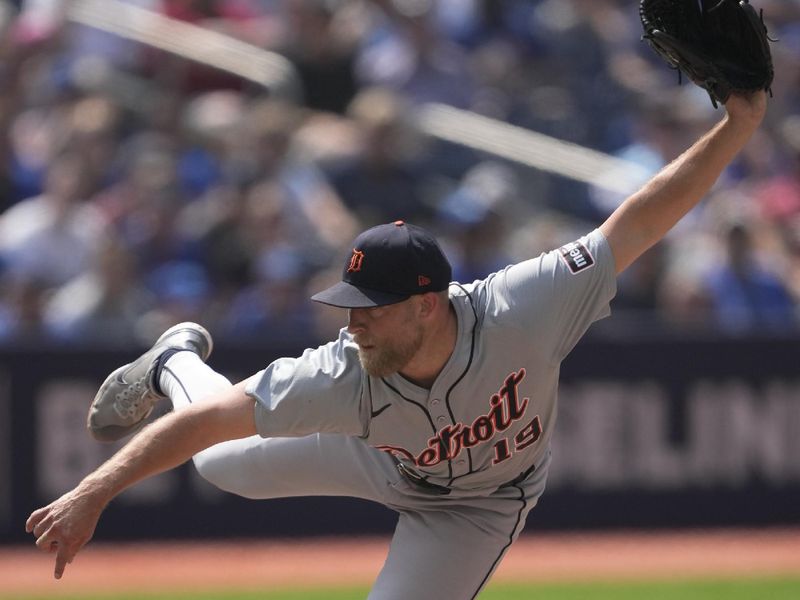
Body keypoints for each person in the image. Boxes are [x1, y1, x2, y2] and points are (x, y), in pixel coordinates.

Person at [26, 91, 767, 598]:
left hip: (477, 505)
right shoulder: (344, 370)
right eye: (348, 307)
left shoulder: (523, 306)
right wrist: (96, 492)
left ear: (424, 304)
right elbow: (202, 424)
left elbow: (641, 218)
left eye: (370, 309)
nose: (353, 323)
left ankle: (174, 360)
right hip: (377, 452)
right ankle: (174, 358)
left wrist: (739, 123)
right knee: (222, 462)